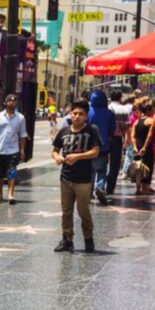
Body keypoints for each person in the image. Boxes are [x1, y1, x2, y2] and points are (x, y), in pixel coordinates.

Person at [51, 100, 101, 254]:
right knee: (66, 211)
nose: (77, 116)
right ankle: (67, 239)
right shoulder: (64, 131)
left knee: (83, 211)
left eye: (81, 114)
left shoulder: (92, 130)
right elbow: (54, 150)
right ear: (70, 114)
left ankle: (88, 238)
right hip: (66, 177)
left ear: (86, 116)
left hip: (84, 179)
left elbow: (95, 151)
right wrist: (57, 158)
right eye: (74, 113)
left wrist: (78, 156)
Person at [0, 94, 29, 204]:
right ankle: (0, 193)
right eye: (10, 100)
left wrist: (22, 150)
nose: (12, 102)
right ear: (5, 102)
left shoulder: (21, 118)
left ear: (16, 103)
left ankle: (10, 195)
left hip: (13, 150)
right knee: (0, 174)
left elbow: (23, 135)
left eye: (14, 101)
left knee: (12, 172)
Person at [87, 90, 116, 205]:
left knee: (90, 170)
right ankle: (100, 187)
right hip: (104, 146)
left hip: (89, 147)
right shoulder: (109, 113)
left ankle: (89, 191)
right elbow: (112, 130)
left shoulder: (88, 112)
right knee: (102, 169)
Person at [107, 90, 131, 195]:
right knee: (115, 164)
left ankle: (100, 184)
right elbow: (127, 127)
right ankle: (110, 187)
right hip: (117, 139)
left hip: (105, 139)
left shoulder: (107, 108)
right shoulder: (124, 109)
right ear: (120, 98)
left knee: (103, 162)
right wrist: (127, 139)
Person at [132, 100, 155, 195]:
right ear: (148, 111)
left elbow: (133, 136)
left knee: (138, 167)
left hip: (137, 146)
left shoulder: (136, 122)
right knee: (147, 167)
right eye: (152, 110)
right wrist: (145, 147)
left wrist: (134, 147)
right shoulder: (151, 121)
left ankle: (138, 188)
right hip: (146, 147)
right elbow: (149, 136)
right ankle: (145, 188)